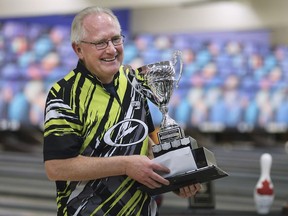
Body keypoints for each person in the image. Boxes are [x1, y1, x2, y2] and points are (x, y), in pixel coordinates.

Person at [43, 6, 201, 216]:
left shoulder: (134, 81)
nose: (111, 49)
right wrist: (125, 165)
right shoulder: (64, 94)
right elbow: (56, 167)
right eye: (100, 42)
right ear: (78, 49)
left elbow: (147, 146)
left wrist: (176, 178)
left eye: (116, 39)